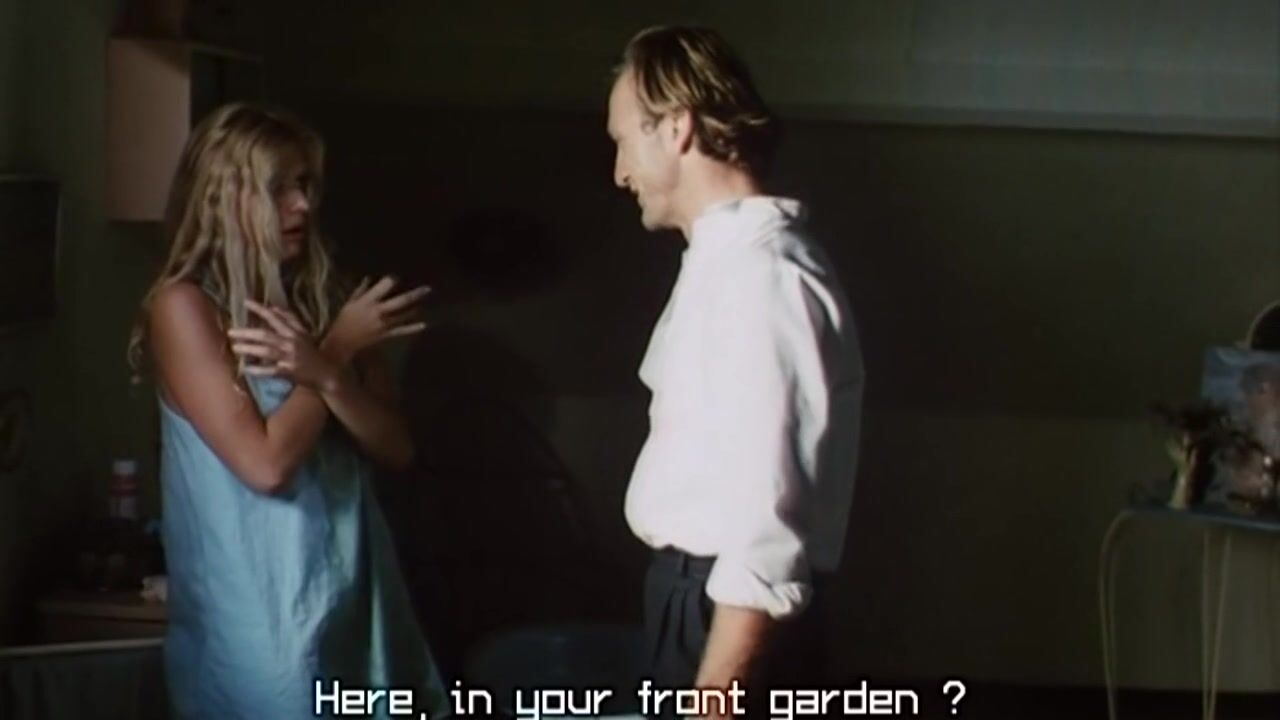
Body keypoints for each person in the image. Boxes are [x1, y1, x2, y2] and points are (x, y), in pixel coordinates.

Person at [127, 103, 448, 719]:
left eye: (306, 184)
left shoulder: (328, 297)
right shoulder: (186, 307)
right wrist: (338, 349)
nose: (303, 204)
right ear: (224, 197)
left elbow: (396, 449)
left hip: (355, 598)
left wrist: (328, 372)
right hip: (256, 616)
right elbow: (265, 464)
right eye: (279, 187)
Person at [606, 26, 865, 718]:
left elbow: (764, 525)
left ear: (677, 128)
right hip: (690, 603)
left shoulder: (762, 278)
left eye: (624, 142)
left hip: (721, 614)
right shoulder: (723, 266)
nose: (620, 172)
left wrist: (715, 698)